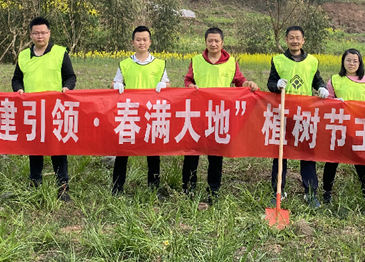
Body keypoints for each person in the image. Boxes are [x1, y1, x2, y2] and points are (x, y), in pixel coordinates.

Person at [182, 27, 258, 201]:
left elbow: (239, 81)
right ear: (205, 42)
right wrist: (190, 86)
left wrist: (248, 84)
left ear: (222, 43)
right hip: (197, 114)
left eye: (216, 41)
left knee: (215, 155)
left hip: (219, 115)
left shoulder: (231, 62)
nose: (213, 44)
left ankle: (213, 191)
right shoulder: (196, 60)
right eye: (210, 41)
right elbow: (188, 80)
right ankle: (188, 189)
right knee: (192, 153)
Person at [12, 16, 76, 202]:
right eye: (36, 33)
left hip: (55, 108)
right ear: (31, 35)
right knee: (35, 148)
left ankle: (62, 186)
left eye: (43, 33)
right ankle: (35, 183)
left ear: (49, 33)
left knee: (58, 148)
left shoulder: (60, 52)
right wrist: (18, 89)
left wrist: (67, 88)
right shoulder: (24, 55)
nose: (40, 36)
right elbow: (16, 78)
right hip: (32, 110)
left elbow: (70, 76)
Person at [267, 25, 329, 208]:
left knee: (307, 154)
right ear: (286, 40)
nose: (295, 41)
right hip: (284, 114)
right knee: (280, 154)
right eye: (291, 38)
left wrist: (322, 87)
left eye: (298, 38)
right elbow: (270, 83)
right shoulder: (278, 60)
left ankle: (310, 192)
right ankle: (278, 190)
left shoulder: (312, 61)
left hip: (306, 114)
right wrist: (276, 85)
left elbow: (317, 80)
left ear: (303, 40)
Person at [111, 26, 169, 195]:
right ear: (132, 42)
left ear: (150, 42)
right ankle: (117, 188)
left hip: (152, 113)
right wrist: (117, 85)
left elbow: (167, 83)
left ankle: (153, 187)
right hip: (130, 112)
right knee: (122, 151)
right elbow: (115, 82)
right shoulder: (125, 64)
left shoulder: (159, 64)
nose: (141, 42)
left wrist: (164, 85)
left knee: (153, 153)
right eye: (138, 40)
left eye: (144, 39)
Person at [323, 48, 365, 203]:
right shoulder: (335, 79)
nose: (351, 63)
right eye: (348, 60)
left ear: (360, 63)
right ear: (343, 62)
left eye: (355, 61)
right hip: (339, 126)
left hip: (359, 127)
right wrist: (334, 102)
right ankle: (327, 192)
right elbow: (327, 100)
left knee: (360, 161)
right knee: (332, 160)